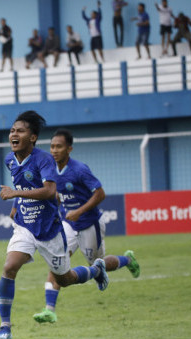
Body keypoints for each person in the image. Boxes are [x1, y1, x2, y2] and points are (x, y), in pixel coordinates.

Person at [0, 111, 111, 339]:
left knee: (64, 279)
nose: (13, 134)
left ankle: (96, 270)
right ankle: (5, 326)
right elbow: (22, 182)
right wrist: (18, 203)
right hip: (25, 226)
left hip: (49, 230)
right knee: (9, 267)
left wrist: (15, 193)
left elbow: (49, 191)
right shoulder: (9, 159)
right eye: (12, 130)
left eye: (20, 131)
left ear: (33, 137)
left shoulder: (44, 159)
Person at [32, 128, 141, 324]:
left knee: (97, 265)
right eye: (52, 146)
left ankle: (127, 260)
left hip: (90, 224)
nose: (54, 150)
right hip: (68, 225)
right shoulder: (49, 170)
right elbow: (55, 193)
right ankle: (49, 310)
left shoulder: (80, 170)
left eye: (59, 146)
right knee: (57, 260)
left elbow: (100, 194)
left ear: (69, 149)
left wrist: (80, 211)